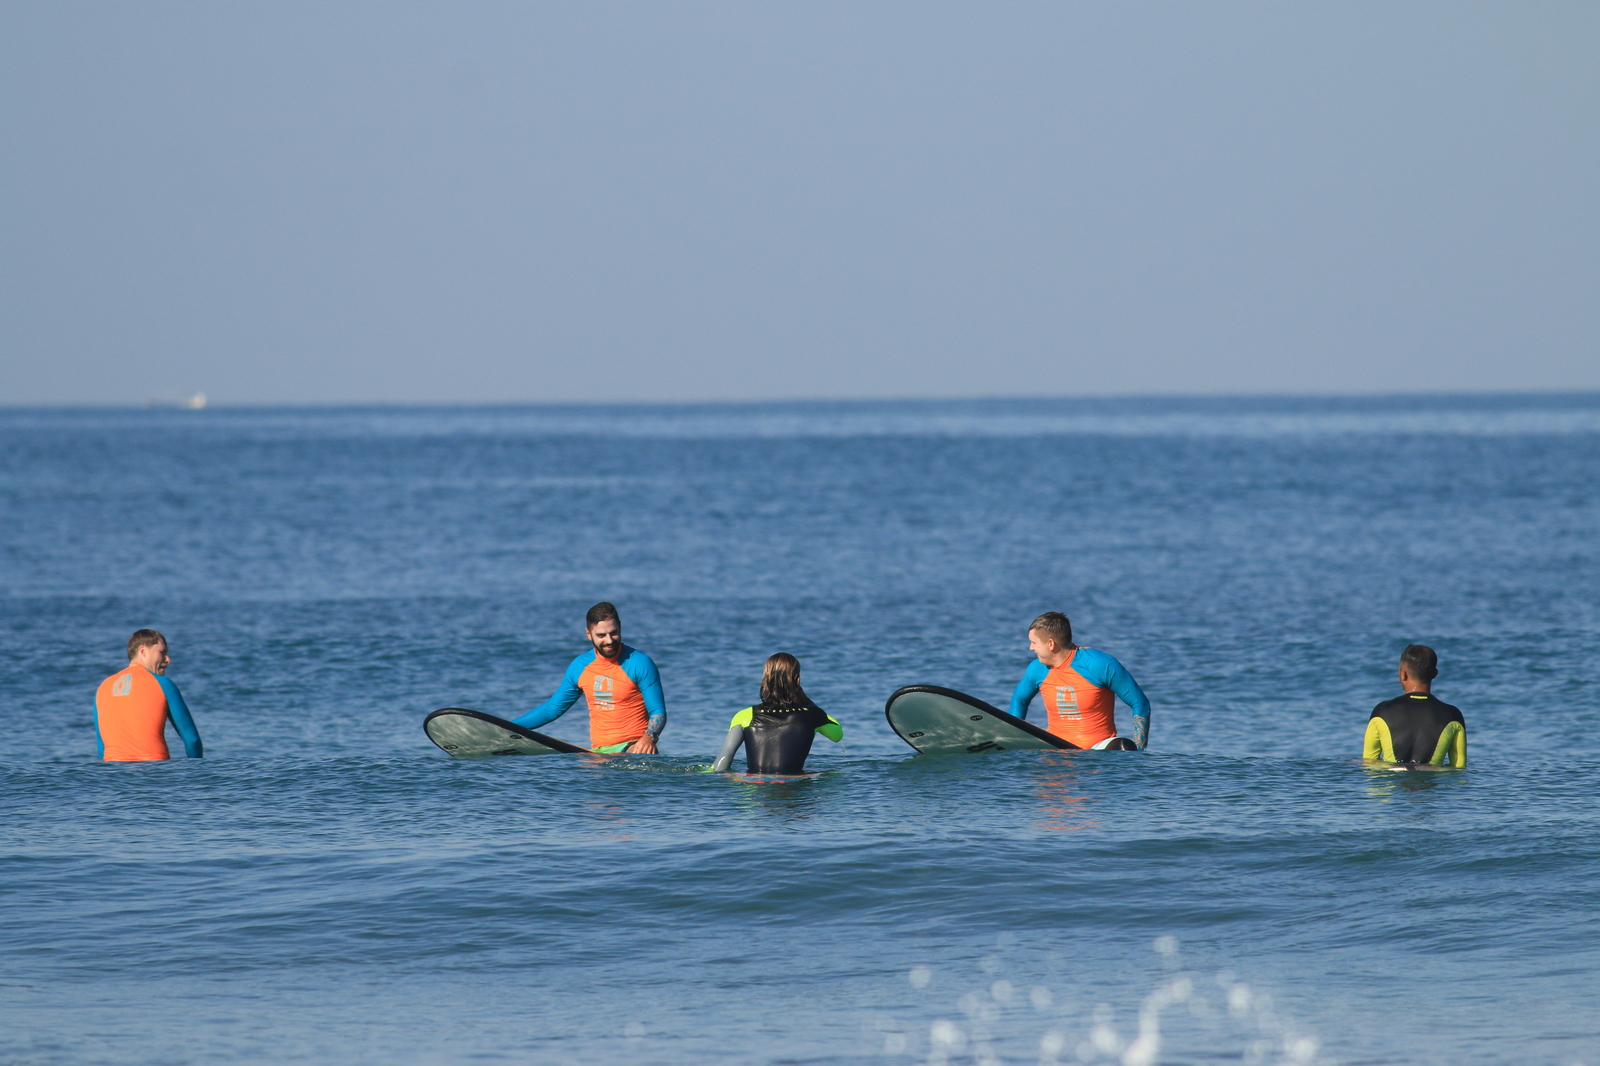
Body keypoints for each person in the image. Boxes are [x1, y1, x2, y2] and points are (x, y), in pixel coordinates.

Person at [514, 602, 666, 753]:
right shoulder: (580, 666)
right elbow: (552, 709)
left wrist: (649, 737)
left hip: (633, 748)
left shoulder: (639, 663)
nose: (609, 640)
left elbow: (658, 711)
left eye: (613, 633)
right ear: (588, 634)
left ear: (620, 627)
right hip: (597, 754)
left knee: (636, 755)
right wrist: (505, 727)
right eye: (601, 635)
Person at [1008, 612, 1151, 750]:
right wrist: (1012, 739)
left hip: (1098, 750)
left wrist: (1139, 750)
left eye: (1034, 642)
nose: (1030, 647)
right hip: (1054, 747)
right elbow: (1020, 699)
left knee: (1124, 746)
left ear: (1051, 644)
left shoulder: (1100, 664)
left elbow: (1140, 703)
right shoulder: (1037, 669)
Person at [711, 653, 842, 774]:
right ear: (798, 681)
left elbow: (723, 761)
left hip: (755, 788)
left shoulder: (745, 715)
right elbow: (837, 736)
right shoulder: (813, 715)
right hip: (795, 788)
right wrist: (807, 701)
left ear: (765, 680)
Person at [94, 629, 204, 761]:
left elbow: (102, 749)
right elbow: (192, 740)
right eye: (162, 652)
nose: (168, 659)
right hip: (154, 772)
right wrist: (197, 773)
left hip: (113, 774)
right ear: (143, 651)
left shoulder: (103, 687)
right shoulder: (163, 683)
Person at [1363, 644, 1466, 767]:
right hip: (1433, 783)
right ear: (1434, 674)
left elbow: (1369, 764)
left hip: (1393, 782)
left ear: (1403, 674)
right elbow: (1459, 767)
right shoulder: (1453, 714)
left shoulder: (1381, 711)